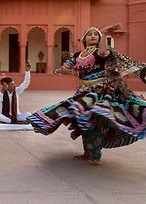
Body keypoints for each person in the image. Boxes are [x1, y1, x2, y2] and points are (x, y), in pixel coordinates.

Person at [27, 25, 146, 165]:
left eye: (96, 34)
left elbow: (104, 51)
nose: (93, 36)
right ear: (84, 38)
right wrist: (63, 70)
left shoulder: (100, 52)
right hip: (83, 92)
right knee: (82, 119)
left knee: (98, 120)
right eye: (90, 34)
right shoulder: (78, 55)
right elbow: (66, 68)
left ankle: (96, 155)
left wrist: (104, 33)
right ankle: (87, 152)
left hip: (100, 92)